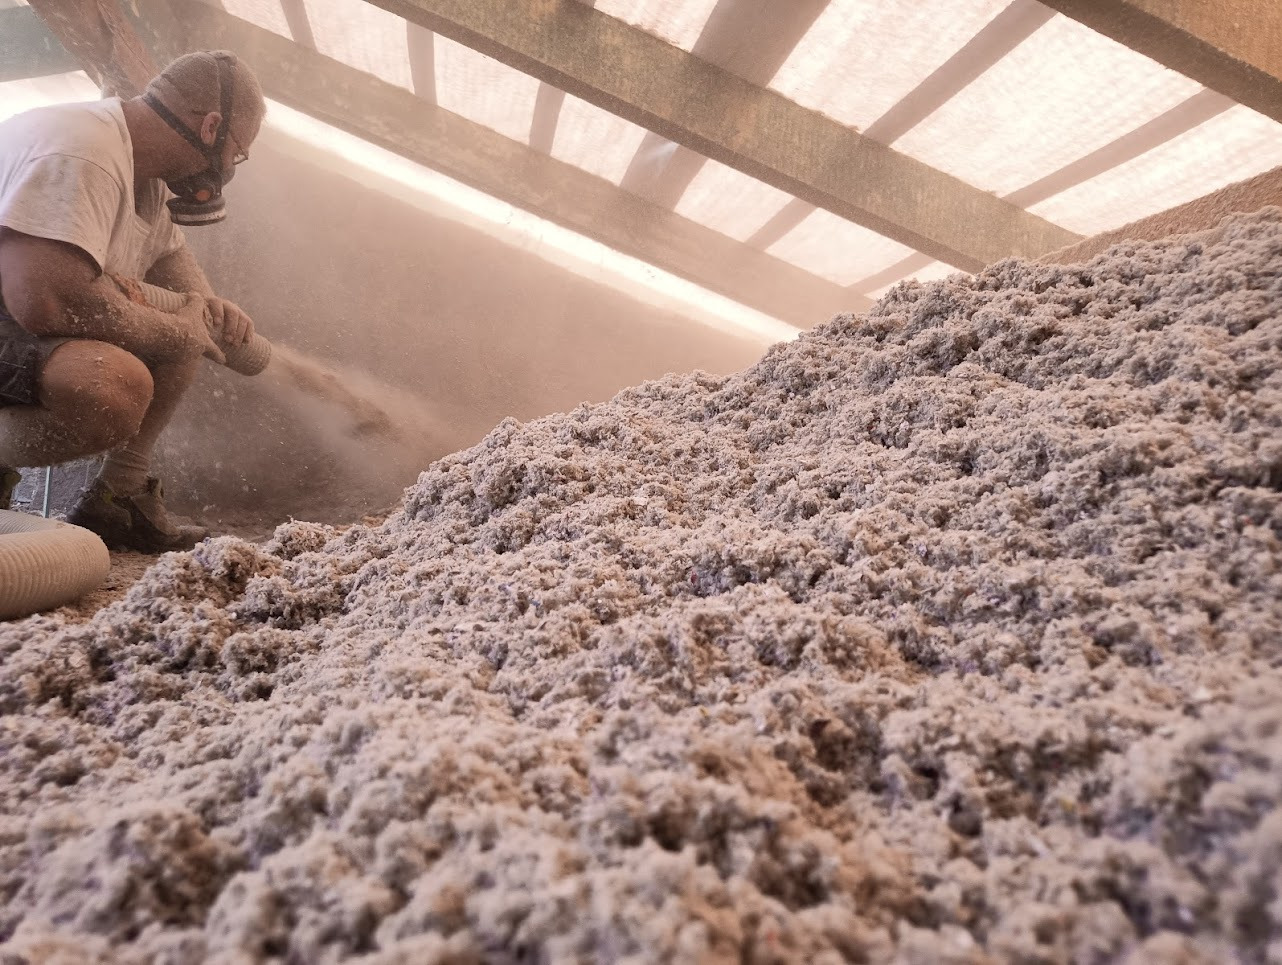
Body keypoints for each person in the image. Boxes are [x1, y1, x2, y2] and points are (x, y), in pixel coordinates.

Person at [0, 51, 266, 551]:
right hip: (22, 305)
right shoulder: (85, 153)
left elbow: (191, 298)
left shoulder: (143, 174)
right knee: (111, 385)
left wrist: (213, 315)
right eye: (238, 151)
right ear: (211, 127)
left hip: (14, 318)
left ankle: (118, 499)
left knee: (187, 329)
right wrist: (179, 329)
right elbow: (45, 301)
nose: (230, 167)